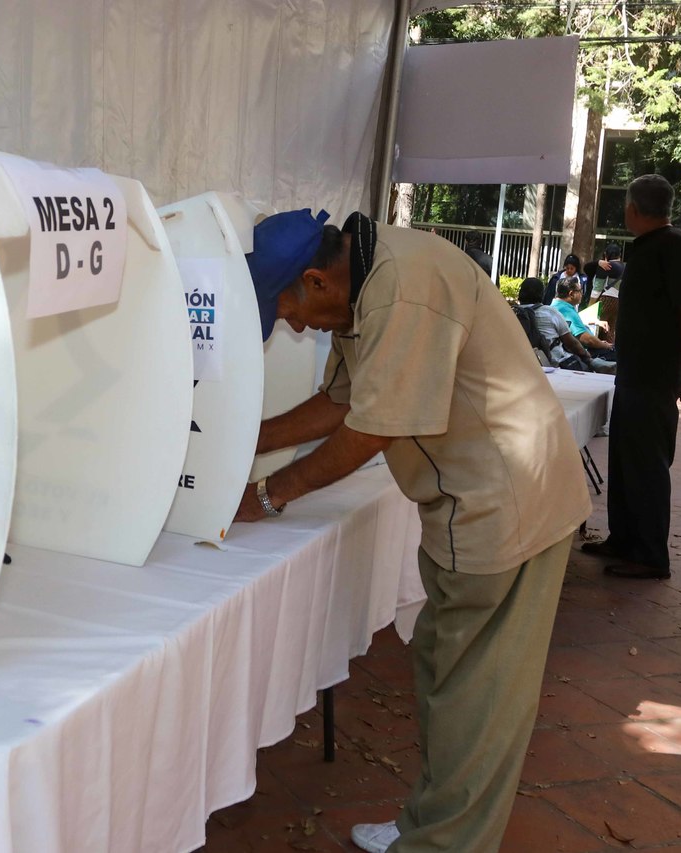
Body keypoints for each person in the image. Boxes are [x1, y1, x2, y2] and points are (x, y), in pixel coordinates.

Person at [240, 209, 591, 853]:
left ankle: (443, 844)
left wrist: (268, 493)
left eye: (287, 309)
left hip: (506, 505)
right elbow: (342, 400)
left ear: (316, 281)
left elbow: (372, 427)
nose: (293, 325)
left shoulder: (400, 292)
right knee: (440, 672)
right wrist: (244, 442)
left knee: (476, 702)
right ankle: (430, 826)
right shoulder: (366, 279)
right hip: (472, 501)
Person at [582, 175, 681, 580]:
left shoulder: (673, 246)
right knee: (625, 460)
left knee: (647, 465)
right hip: (634, 374)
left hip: (653, 377)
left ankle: (651, 555)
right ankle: (624, 538)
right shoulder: (650, 247)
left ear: (632, 208)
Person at [517, 277, 610, 373]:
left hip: (525, 364)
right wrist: (587, 357)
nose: (581, 294)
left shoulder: (514, 313)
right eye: (580, 291)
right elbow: (572, 343)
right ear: (542, 294)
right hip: (556, 363)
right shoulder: (550, 312)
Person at [551, 278, 617, 363]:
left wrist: (596, 323)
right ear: (571, 294)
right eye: (580, 291)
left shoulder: (557, 306)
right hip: (585, 354)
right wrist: (605, 345)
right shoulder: (566, 310)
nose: (582, 294)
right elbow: (587, 340)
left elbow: (576, 325)